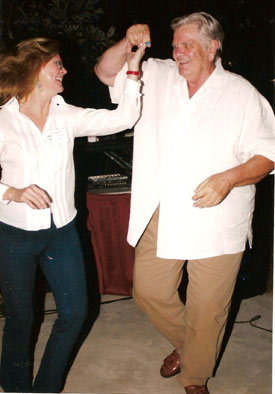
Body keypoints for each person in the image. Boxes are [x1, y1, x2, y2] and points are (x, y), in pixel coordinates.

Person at [94, 12, 275, 394]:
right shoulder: (157, 75)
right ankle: (189, 346)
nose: (178, 52)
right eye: (175, 44)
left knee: (208, 310)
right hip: (164, 210)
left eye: (187, 44)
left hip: (219, 216)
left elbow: (267, 155)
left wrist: (228, 179)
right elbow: (106, 73)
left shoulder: (242, 94)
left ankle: (195, 378)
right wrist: (129, 44)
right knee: (149, 291)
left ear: (213, 47)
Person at [0, 36, 146, 393]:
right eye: (57, 65)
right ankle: (12, 387)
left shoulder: (67, 115)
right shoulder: (3, 121)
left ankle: (45, 388)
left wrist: (134, 65)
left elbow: (125, 116)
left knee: (75, 312)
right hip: (14, 235)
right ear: (36, 70)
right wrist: (12, 192)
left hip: (61, 232)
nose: (64, 70)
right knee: (21, 318)